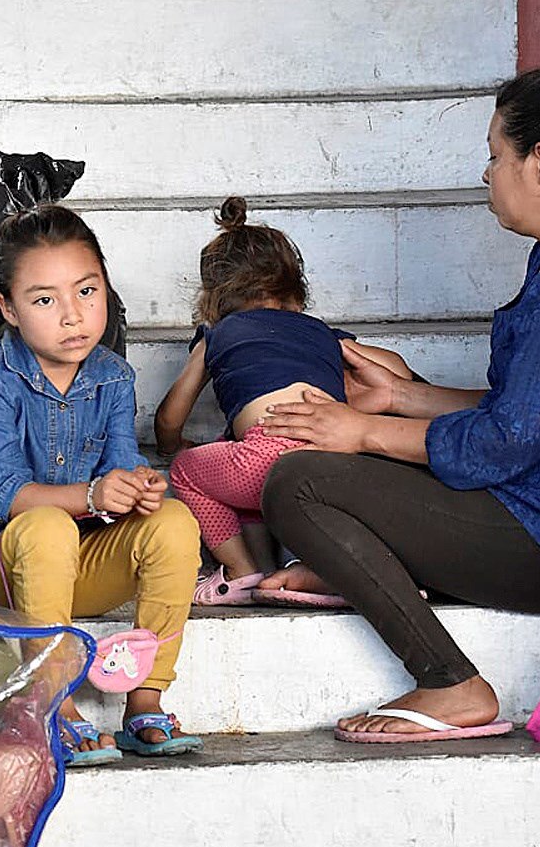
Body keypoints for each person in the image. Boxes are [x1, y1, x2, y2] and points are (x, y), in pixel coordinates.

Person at [257, 46, 540, 743]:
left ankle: (451, 683)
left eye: (495, 156)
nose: (486, 174)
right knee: (344, 463)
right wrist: (401, 396)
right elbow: (525, 409)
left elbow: (503, 440)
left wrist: (361, 431)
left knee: (297, 484)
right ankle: (364, 561)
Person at [0, 205, 203, 764]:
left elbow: (122, 463)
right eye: (44, 300)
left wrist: (138, 489)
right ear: (7, 309)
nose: (72, 315)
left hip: (73, 568)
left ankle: (144, 700)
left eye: (87, 292)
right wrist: (91, 496)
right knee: (43, 526)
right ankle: (51, 701)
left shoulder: (113, 375)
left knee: (175, 522)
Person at [154, 197, 409, 605]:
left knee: (188, 470)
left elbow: (170, 418)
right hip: (337, 454)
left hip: (262, 461)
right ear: (295, 291)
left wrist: (170, 447)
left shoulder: (218, 334)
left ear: (216, 298)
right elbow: (396, 368)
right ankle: (284, 572)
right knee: (248, 473)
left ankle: (240, 570)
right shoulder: (320, 332)